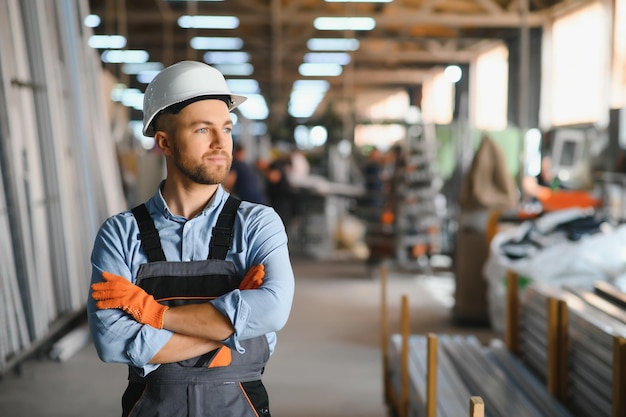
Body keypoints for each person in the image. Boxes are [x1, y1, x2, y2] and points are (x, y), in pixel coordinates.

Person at [87, 61, 295, 417]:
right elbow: (111, 342)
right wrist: (235, 327)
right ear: (164, 142)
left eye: (226, 129)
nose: (220, 143)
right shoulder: (120, 234)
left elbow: (273, 310)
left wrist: (155, 315)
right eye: (202, 129)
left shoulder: (258, 224)